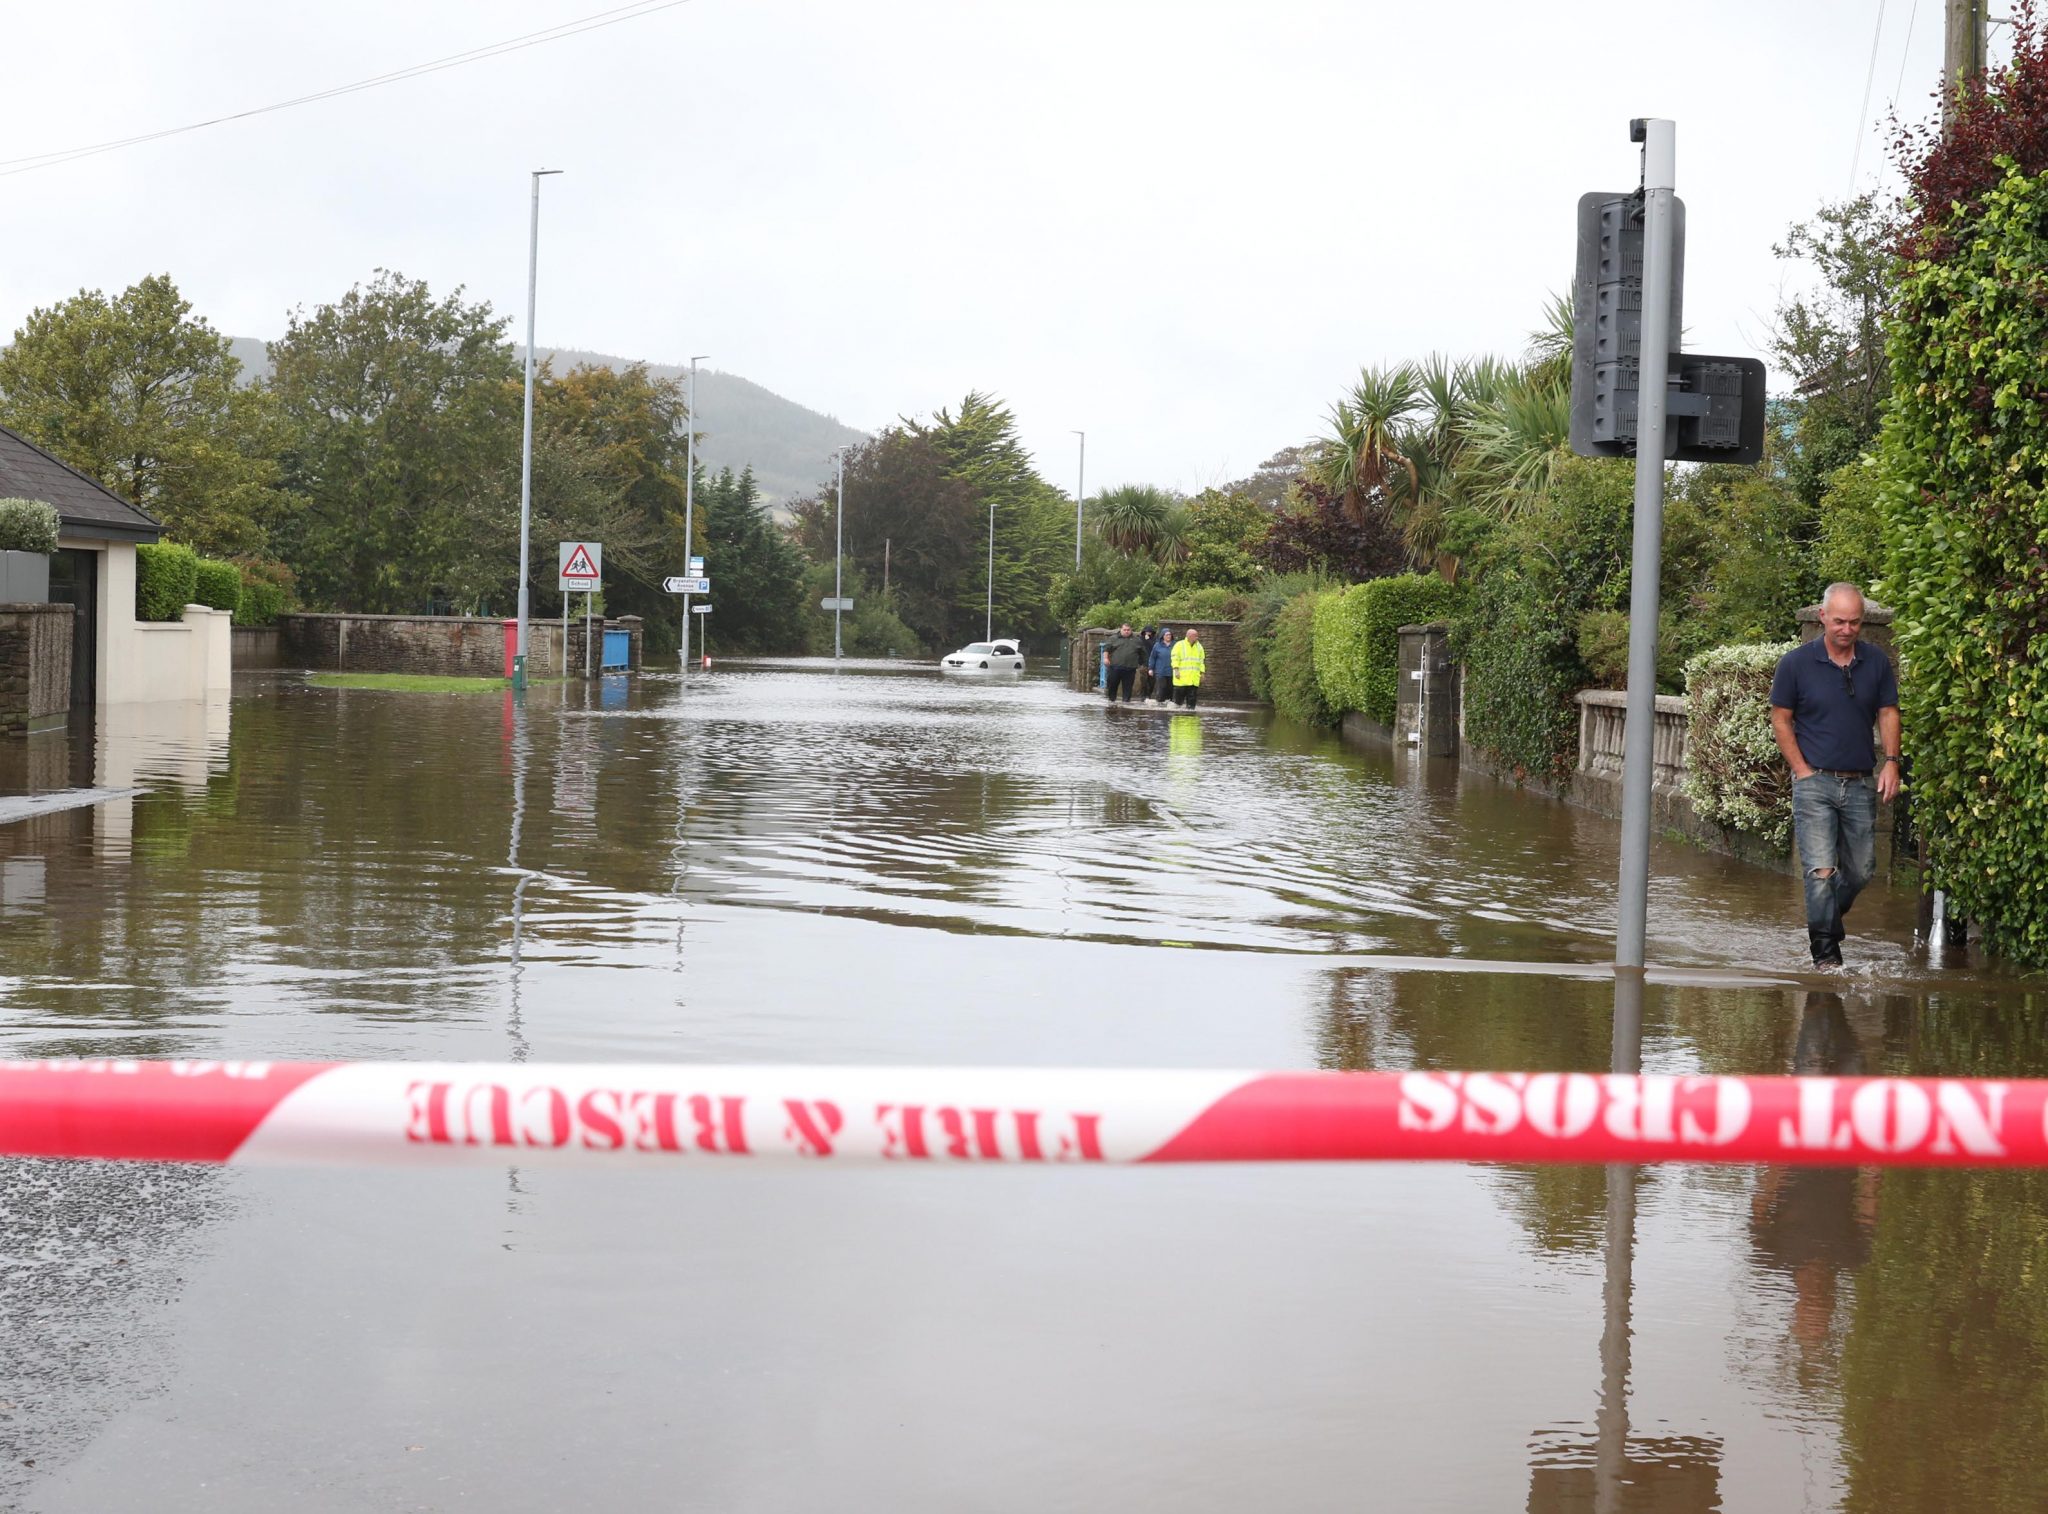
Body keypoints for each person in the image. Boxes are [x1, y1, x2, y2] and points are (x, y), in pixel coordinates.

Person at [1769, 582, 1901, 966]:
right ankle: (1826, 958)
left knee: (1861, 871)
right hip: (1815, 783)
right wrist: (1802, 771)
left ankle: (1825, 921)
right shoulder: (1795, 664)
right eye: (1839, 621)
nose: (1846, 629)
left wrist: (1891, 762)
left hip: (1859, 781)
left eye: (1855, 623)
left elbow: (1888, 711)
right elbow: (1781, 719)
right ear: (1822, 617)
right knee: (1820, 872)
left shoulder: (1875, 662)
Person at [1101, 623, 1143, 703]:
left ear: (1131, 630)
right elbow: (1106, 649)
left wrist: (1142, 664)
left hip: (1130, 668)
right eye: (1124, 630)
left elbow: (1142, 653)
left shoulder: (1137, 640)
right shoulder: (1113, 638)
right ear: (1121, 630)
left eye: (1128, 630)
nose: (1126, 631)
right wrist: (1105, 658)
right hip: (1115, 667)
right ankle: (1111, 701)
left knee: (1128, 688)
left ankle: (1126, 703)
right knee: (1112, 685)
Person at [1171, 626, 1206, 710]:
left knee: (1192, 704)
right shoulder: (1179, 645)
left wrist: (1202, 673)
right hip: (1181, 679)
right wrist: (1176, 670)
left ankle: (1190, 716)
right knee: (1177, 703)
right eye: (1195, 636)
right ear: (1189, 636)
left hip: (1193, 680)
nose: (1197, 637)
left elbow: (1201, 661)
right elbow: (1175, 658)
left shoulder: (1199, 647)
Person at [1149, 628, 1176, 704]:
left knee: (1170, 689)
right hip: (1161, 671)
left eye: (1170, 635)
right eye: (1167, 635)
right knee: (1162, 688)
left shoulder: (1175, 645)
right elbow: (1152, 657)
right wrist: (1151, 668)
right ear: (1163, 636)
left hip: (1172, 671)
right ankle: (1159, 703)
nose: (1169, 636)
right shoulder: (1157, 645)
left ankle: (1169, 704)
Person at [1136, 626, 1159, 700]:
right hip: (1144, 663)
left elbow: (1154, 647)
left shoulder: (1155, 640)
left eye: (1149, 632)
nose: (1148, 633)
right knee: (1144, 681)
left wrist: (1148, 640)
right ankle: (1143, 696)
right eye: (1146, 632)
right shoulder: (1140, 639)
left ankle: (1149, 695)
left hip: (1153, 664)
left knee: (1152, 681)